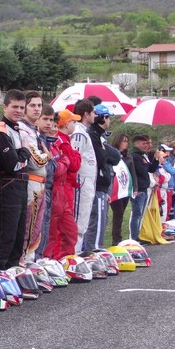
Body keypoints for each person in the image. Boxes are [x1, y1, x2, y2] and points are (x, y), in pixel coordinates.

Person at [0, 89, 32, 271]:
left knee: (18, 238)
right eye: (15, 107)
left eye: (22, 107)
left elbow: (23, 162)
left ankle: (12, 275)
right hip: (7, 186)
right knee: (5, 237)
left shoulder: (19, 129)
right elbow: (12, 164)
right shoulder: (1, 130)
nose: (19, 111)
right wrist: (25, 152)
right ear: (5, 107)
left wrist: (22, 155)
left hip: (21, 186)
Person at [43, 110, 80, 259]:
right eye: (51, 125)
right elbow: (60, 168)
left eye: (54, 125)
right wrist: (66, 160)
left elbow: (69, 163)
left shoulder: (58, 143)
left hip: (63, 191)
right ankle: (51, 261)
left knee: (70, 231)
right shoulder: (58, 142)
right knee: (51, 234)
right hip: (55, 190)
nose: (53, 128)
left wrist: (65, 161)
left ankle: (64, 262)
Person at [19, 91, 51, 262]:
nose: (37, 109)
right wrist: (48, 155)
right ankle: (24, 261)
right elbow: (36, 161)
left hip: (40, 183)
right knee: (29, 227)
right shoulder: (23, 129)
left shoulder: (34, 131)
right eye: (32, 105)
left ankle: (30, 260)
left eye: (39, 105)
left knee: (36, 228)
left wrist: (44, 156)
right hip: (31, 183)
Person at [83, 103, 119, 250]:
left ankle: (94, 248)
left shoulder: (98, 135)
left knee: (100, 220)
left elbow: (115, 157)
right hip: (96, 183)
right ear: (103, 118)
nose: (109, 121)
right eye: (108, 117)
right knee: (96, 221)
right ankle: (94, 250)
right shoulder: (92, 134)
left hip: (102, 185)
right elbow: (101, 157)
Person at [70, 97, 97, 251]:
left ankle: (78, 250)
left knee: (83, 219)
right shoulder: (78, 133)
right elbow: (75, 158)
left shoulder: (84, 132)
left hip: (87, 180)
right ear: (86, 114)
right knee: (79, 220)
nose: (95, 116)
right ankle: (74, 252)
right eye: (93, 113)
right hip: (81, 180)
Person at [34, 104, 59, 259]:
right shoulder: (36, 138)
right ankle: (35, 259)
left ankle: (41, 258)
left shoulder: (46, 140)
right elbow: (45, 166)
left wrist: (51, 161)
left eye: (51, 120)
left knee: (45, 228)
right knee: (37, 229)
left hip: (48, 187)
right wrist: (51, 161)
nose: (49, 123)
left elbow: (54, 166)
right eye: (45, 119)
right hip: (38, 187)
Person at [129, 135, 161, 242]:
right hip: (138, 188)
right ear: (137, 144)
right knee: (136, 214)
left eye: (149, 143)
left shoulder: (143, 156)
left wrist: (156, 159)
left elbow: (150, 169)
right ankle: (134, 237)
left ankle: (138, 235)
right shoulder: (135, 156)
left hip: (144, 187)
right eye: (145, 143)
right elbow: (141, 171)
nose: (148, 145)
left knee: (141, 214)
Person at [109, 133, 136, 245]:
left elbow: (132, 173)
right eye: (124, 141)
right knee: (118, 212)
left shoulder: (128, 158)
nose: (126, 143)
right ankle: (116, 239)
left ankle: (118, 237)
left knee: (121, 214)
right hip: (115, 188)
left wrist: (135, 187)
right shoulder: (111, 154)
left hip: (125, 188)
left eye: (127, 141)